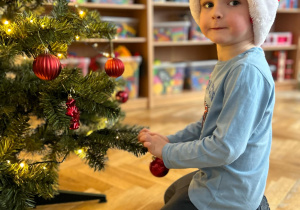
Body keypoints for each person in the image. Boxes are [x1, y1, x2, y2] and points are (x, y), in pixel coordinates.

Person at [138, 0, 279, 209]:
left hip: (231, 195)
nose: (216, 13)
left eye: (233, 2)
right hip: (222, 176)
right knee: (171, 193)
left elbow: (224, 148)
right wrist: (171, 140)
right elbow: (209, 122)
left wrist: (167, 152)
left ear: (256, 13)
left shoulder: (247, 72)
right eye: (208, 4)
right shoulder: (230, 62)